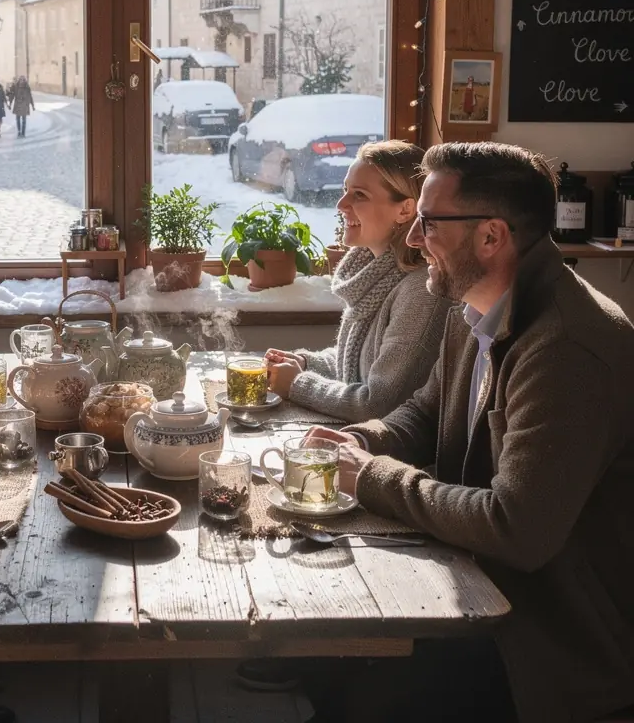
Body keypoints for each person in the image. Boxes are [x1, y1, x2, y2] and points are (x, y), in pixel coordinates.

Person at [305, 142, 634, 723]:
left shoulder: (566, 348)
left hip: (549, 649)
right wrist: (363, 440)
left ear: (491, 237)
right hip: (483, 593)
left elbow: (516, 528)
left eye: (429, 223)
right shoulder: (476, 306)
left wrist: (373, 478)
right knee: (328, 660)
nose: (412, 239)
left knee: (354, 700)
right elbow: (425, 412)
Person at [264, 141, 453, 422]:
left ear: (404, 210)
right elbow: (359, 364)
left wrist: (297, 383)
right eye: (345, 191)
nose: (341, 204)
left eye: (359, 195)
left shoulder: (420, 292)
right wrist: (304, 363)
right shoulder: (373, 277)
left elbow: (377, 405)